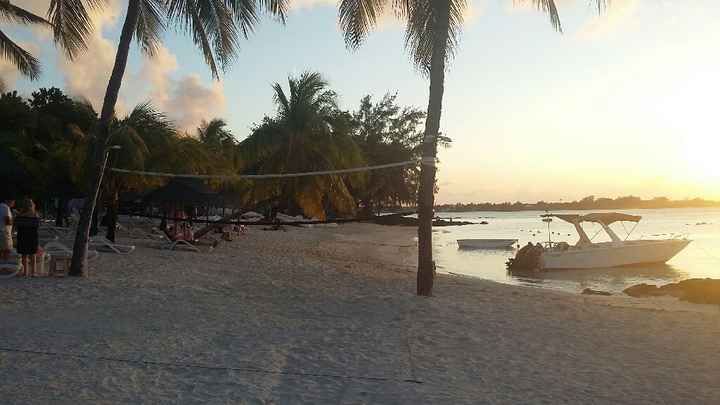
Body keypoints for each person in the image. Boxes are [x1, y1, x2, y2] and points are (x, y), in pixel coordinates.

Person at [15, 198, 40, 277]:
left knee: (24, 255)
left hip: (22, 236)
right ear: (32, 205)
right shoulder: (35, 215)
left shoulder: (20, 215)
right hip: (32, 236)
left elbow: (16, 226)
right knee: (33, 254)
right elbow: (37, 225)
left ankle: (25, 272)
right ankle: (33, 272)